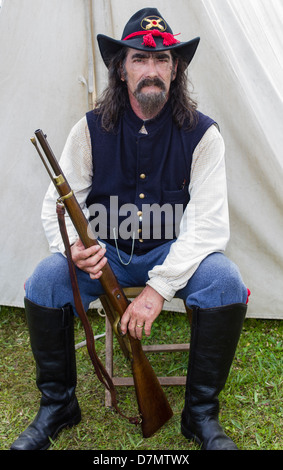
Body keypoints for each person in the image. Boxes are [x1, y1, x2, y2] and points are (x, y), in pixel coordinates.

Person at [11, 8, 249, 451]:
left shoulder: (204, 136)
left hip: (172, 255)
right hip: (104, 255)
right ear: (121, 70)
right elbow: (55, 208)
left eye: (162, 60)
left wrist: (158, 289)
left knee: (224, 284)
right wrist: (73, 252)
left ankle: (200, 416)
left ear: (175, 70)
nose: (152, 70)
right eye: (140, 58)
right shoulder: (88, 130)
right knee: (45, 281)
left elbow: (209, 224)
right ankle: (59, 405)